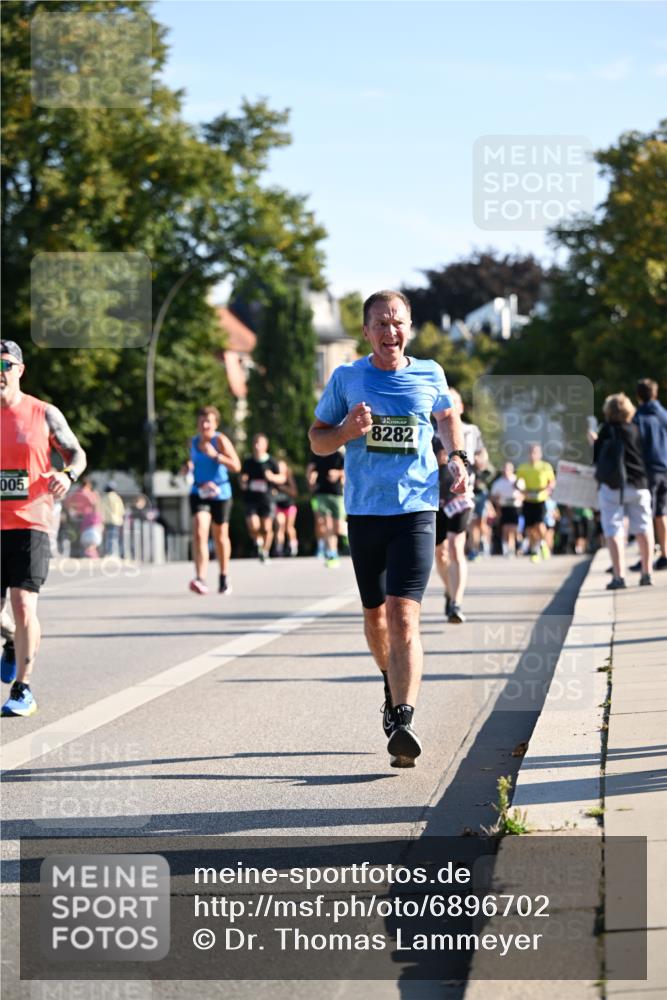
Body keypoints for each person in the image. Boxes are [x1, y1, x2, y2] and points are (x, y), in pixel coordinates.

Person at [308, 290, 468, 768]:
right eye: (380, 323)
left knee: (403, 615)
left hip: (417, 509)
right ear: (366, 331)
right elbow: (317, 441)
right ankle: (389, 679)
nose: (389, 331)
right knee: (376, 616)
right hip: (365, 512)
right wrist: (344, 433)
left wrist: (456, 457)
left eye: (397, 322)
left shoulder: (430, 373)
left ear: (410, 327)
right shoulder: (347, 377)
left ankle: (403, 718)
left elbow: (447, 415)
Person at [0, 340, 86, 716]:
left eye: (4, 365)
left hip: (31, 521)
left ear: (20, 369)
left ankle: (23, 688)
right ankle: (10, 642)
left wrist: (67, 475)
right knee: (11, 620)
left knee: (22, 603)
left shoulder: (44, 413)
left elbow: (77, 454)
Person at [431, 388, 484, 623]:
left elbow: (482, 458)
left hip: (461, 498)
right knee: (440, 553)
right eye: (445, 403)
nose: (450, 406)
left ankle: (456, 603)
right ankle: (449, 588)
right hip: (434, 499)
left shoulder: (471, 432)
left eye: (454, 402)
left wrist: (477, 461)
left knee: (455, 547)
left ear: (461, 407)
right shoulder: (430, 432)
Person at [593, 392, 654, 590]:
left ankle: (619, 576)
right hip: (638, 483)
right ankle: (647, 572)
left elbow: (596, 460)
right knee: (644, 528)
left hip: (612, 486)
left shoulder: (605, 431)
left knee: (614, 530)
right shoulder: (636, 429)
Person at [182, 405, 241, 595]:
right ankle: (200, 578)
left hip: (220, 493)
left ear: (215, 423)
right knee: (199, 529)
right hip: (199, 491)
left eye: (209, 421)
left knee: (220, 536)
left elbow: (236, 466)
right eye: (202, 421)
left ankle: (224, 575)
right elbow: (193, 463)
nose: (205, 424)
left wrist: (216, 456)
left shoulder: (220, 440)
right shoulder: (192, 442)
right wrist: (188, 468)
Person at [634, 378, 667, 571]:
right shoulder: (664, 415)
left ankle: (647, 556)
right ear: (655, 394)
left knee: (646, 515)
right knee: (662, 514)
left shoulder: (639, 418)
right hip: (666, 469)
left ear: (639, 396)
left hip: (648, 471)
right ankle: (665, 553)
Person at [240, 433, 285, 562]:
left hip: (267, 498)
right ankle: (258, 541)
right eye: (255, 443)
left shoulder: (272, 462)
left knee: (266, 527)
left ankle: (264, 552)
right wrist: (243, 482)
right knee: (253, 525)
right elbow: (242, 477)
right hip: (251, 498)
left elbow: (282, 478)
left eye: (260, 443)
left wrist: (272, 477)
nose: (257, 446)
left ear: (266, 446)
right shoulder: (248, 462)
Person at [306, 448, 346, 568]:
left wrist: (338, 473)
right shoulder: (318, 453)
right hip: (321, 493)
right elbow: (310, 469)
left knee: (338, 527)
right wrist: (310, 478)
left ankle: (350, 535)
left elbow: (348, 471)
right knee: (325, 524)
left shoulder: (340, 456)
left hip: (337, 494)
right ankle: (332, 553)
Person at [516, 444, 556, 562]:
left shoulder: (545, 466)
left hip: (540, 500)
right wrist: (522, 490)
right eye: (531, 453)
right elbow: (517, 482)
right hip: (528, 500)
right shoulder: (523, 467)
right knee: (529, 528)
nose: (533, 455)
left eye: (535, 453)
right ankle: (534, 551)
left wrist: (546, 490)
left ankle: (543, 544)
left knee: (540, 525)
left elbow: (552, 482)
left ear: (540, 454)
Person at [490, 461, 525, 557]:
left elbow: (524, 494)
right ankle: (506, 549)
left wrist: (519, 497)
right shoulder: (498, 482)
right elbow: (493, 497)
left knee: (513, 529)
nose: (506, 471)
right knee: (505, 529)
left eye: (508, 469)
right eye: (504, 469)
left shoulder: (518, 480)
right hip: (503, 507)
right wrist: (497, 503)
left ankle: (512, 549)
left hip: (515, 507)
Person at [273, 454, 299, 557]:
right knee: (279, 526)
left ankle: (293, 546)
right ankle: (279, 548)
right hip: (278, 506)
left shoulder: (289, 478)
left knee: (289, 527)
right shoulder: (274, 478)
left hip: (289, 506)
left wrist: (283, 488)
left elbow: (294, 492)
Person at [101, 482, 125, 557]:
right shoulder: (116, 498)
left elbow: (101, 509)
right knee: (115, 537)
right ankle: (115, 553)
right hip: (116, 520)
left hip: (106, 520)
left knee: (108, 537)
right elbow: (121, 510)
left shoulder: (104, 497)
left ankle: (108, 552)